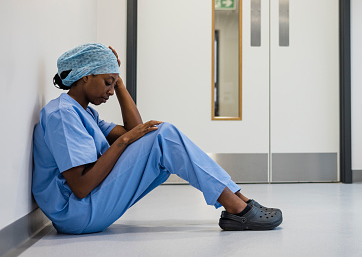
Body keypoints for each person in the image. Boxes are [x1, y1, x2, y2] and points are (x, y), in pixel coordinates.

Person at [32, 43, 282, 234]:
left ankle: (238, 200)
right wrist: (123, 141)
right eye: (108, 82)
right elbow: (81, 186)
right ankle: (237, 206)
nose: (110, 90)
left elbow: (138, 131)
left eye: (113, 84)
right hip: (76, 212)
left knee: (160, 133)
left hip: (86, 205)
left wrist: (119, 82)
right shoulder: (63, 114)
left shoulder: (84, 113)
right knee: (164, 134)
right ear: (85, 75)